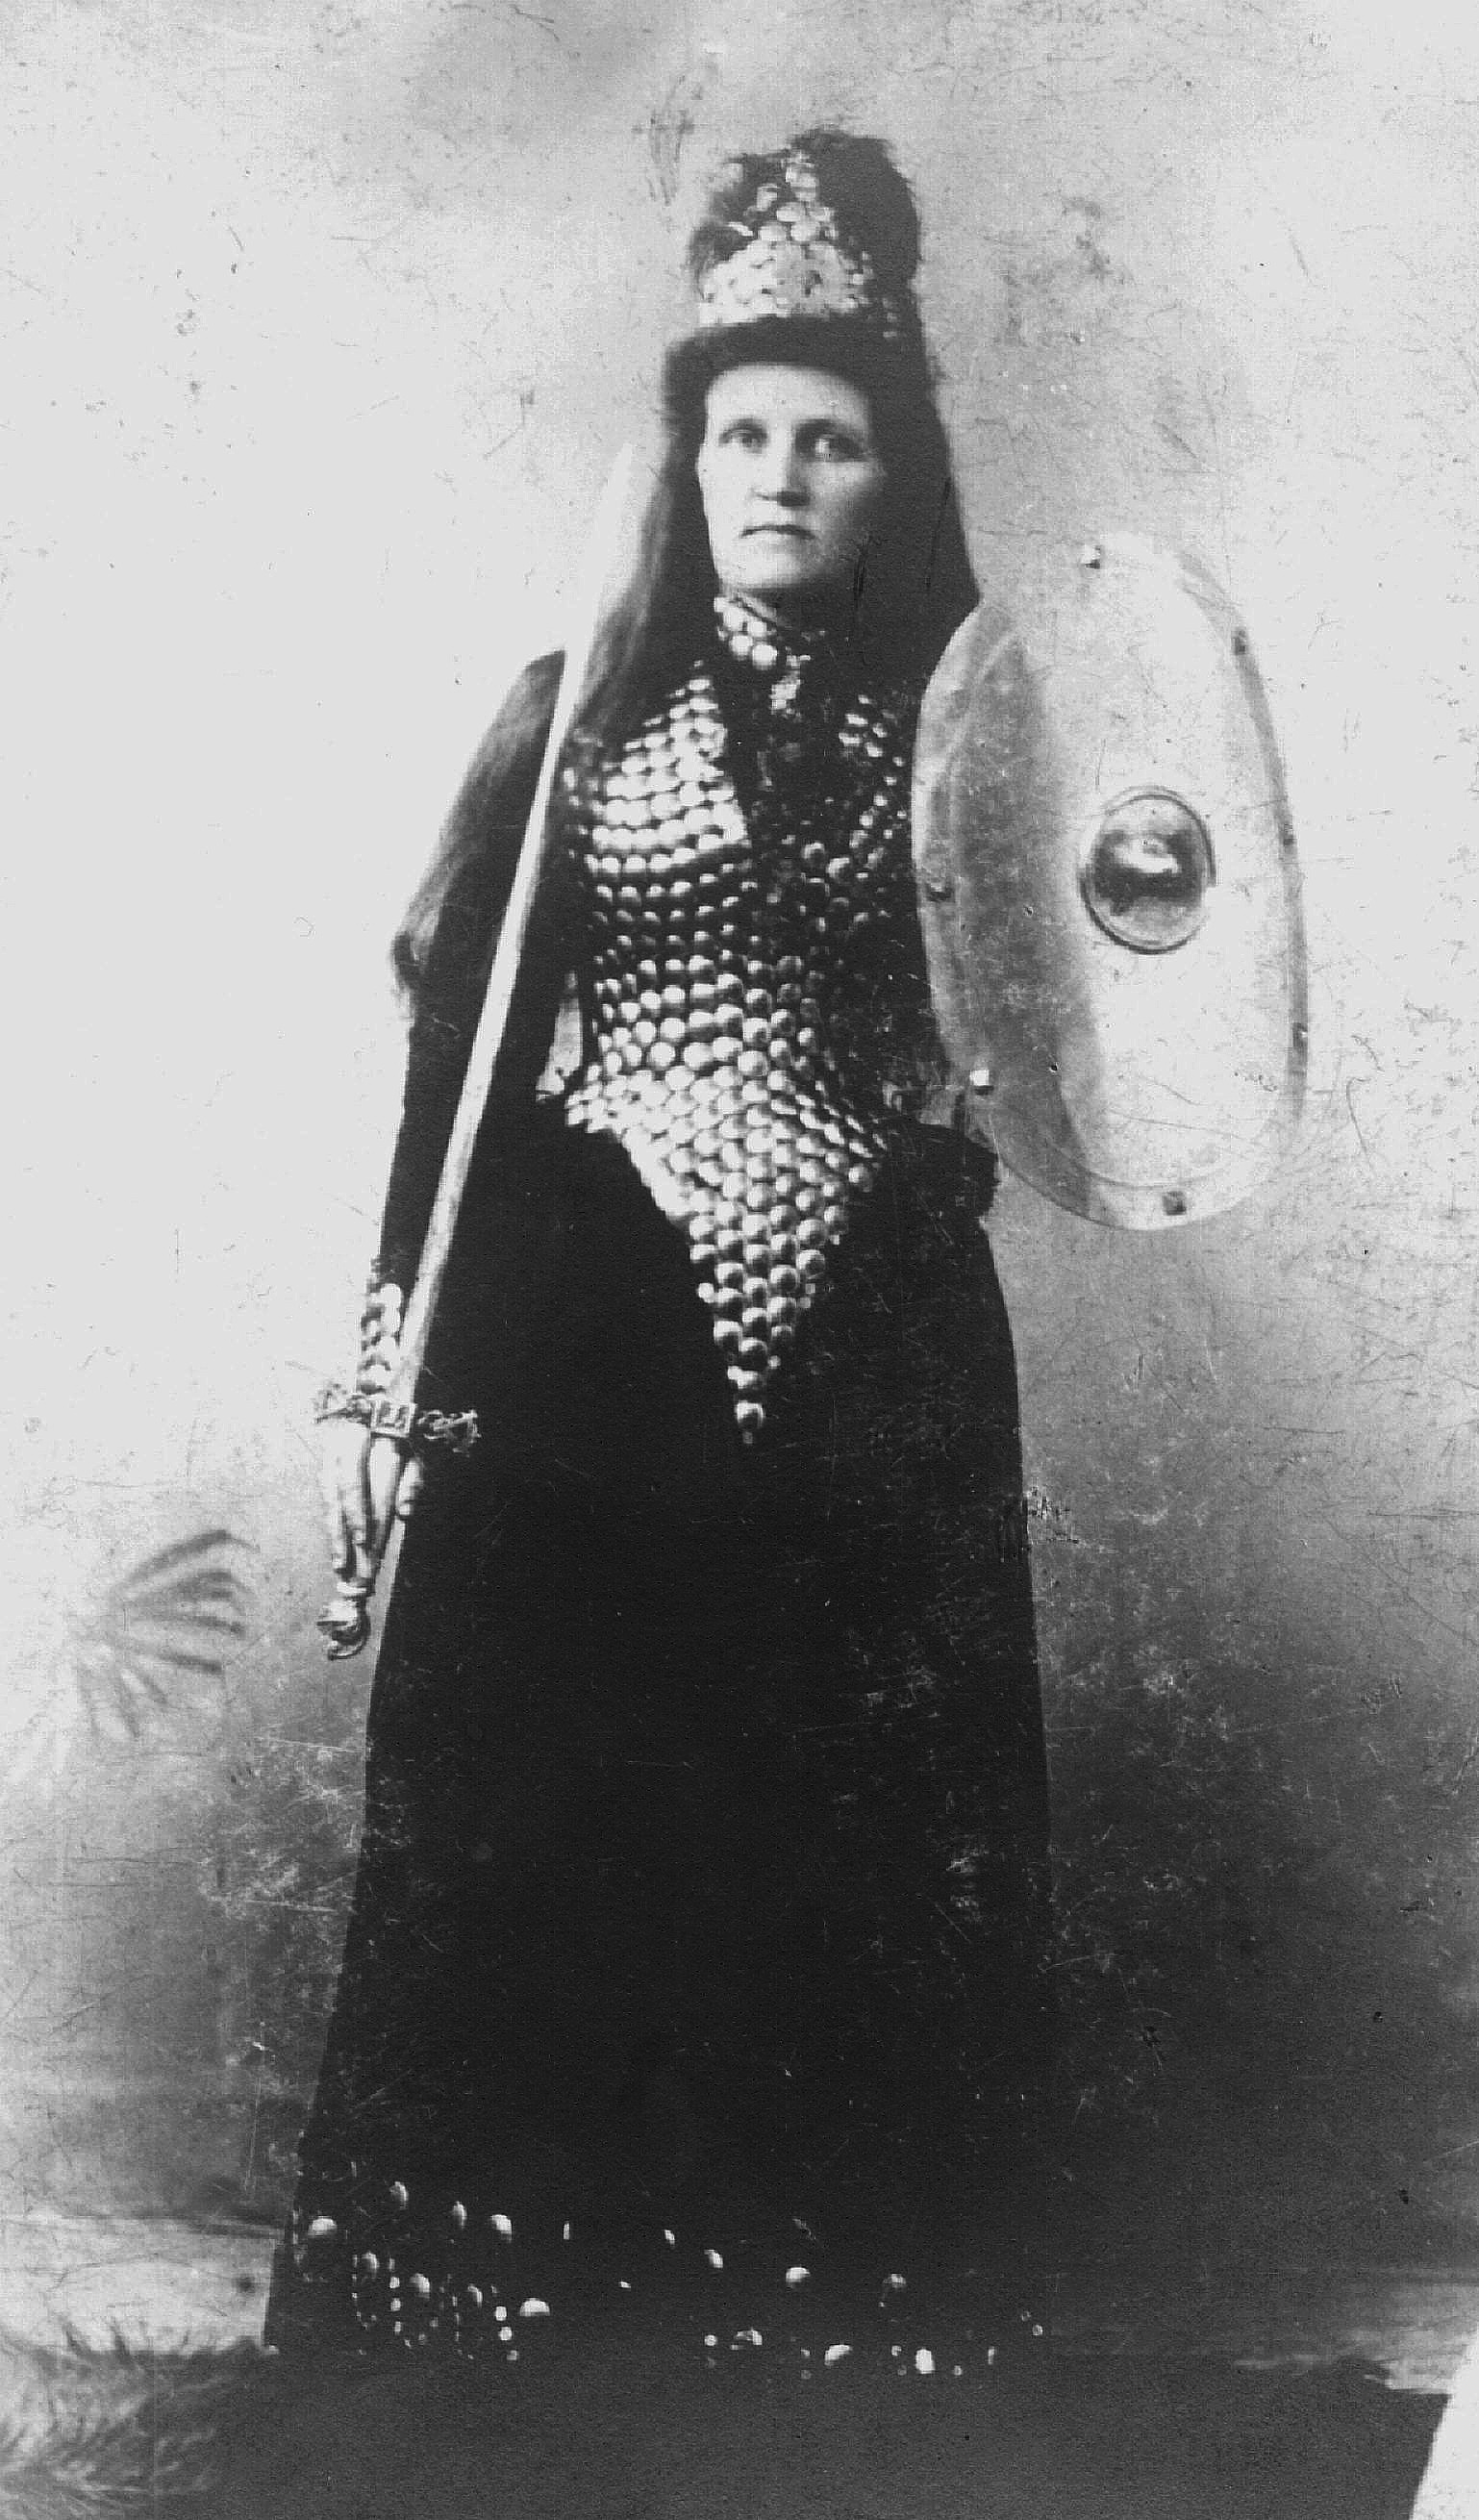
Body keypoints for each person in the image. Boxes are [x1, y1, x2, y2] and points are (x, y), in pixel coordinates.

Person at [265, 128, 1051, 2377]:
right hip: (591, 1309)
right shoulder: (576, 722)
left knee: (845, 1796)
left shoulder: (960, 744)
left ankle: (828, 2314)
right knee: (574, 1786)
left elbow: (1056, 1024)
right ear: (686, 460)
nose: (779, 475)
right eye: (741, 435)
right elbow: (458, 1062)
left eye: (828, 439)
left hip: (874, 1323)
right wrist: (394, 1363)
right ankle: (523, 2310)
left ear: (894, 474)